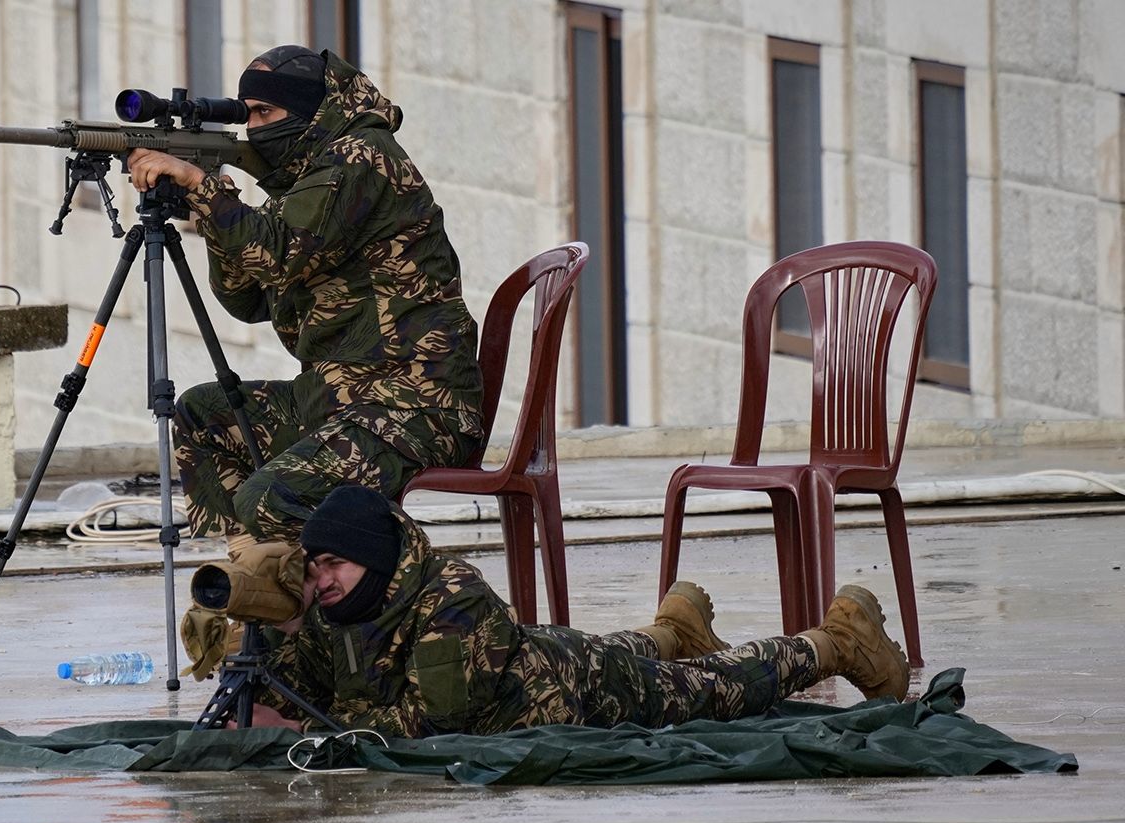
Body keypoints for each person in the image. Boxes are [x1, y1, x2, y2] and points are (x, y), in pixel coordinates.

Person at [124, 46, 483, 557]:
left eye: (266, 113)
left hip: (413, 407)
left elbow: (279, 256)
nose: (253, 128)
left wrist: (205, 191)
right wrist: (213, 206)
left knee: (271, 496)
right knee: (202, 415)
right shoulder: (302, 182)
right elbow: (246, 300)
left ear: (313, 110)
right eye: (246, 114)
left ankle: (394, 599)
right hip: (339, 401)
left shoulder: (361, 154)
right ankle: (260, 594)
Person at [208, 485, 912, 736]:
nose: (323, 579)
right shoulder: (346, 609)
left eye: (335, 564)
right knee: (629, 648)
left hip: (579, 693)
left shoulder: (450, 599)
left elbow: (430, 723)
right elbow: (308, 684)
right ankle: (673, 628)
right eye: (316, 566)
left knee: (720, 688)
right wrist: (290, 624)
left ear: (376, 557)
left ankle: (837, 636)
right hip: (547, 657)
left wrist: (299, 724)